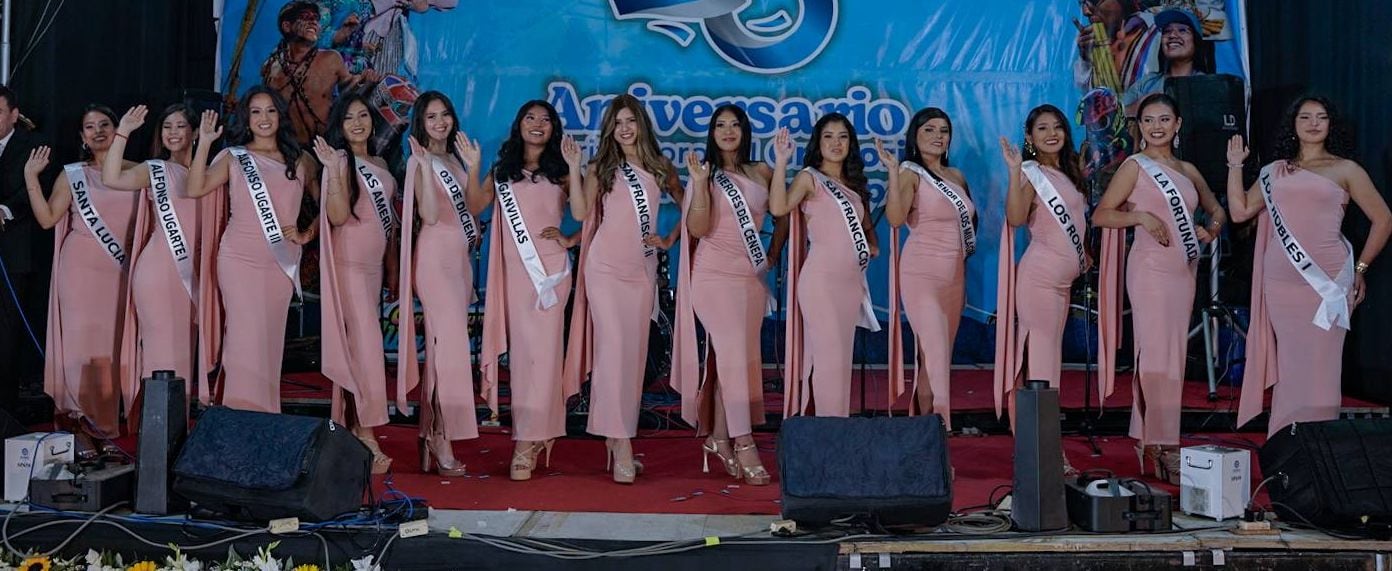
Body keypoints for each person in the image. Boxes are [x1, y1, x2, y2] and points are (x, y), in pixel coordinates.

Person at [1228, 97, 1392, 435]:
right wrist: (1234, 166)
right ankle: (1285, 446)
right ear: (1293, 124)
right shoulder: (1274, 171)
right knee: (1290, 367)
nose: (1313, 123)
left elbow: (1383, 219)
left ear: (1331, 124)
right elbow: (1240, 211)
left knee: (1321, 369)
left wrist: (1360, 269)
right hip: (1280, 283)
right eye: (1305, 117)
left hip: (1327, 283)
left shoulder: (1346, 169)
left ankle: (1320, 449)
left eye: (1321, 117)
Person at [1094, 93, 1226, 482]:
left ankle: (1152, 439)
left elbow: (1216, 209)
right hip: (1149, 270)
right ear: (1140, 126)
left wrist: (1210, 230)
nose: (1156, 127)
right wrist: (1141, 218)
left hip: (1183, 272)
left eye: (1164, 119)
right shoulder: (1134, 166)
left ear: (1177, 124)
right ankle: (1162, 444)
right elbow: (1102, 214)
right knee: (1154, 355)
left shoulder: (1187, 169)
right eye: (1149, 120)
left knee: (1173, 356)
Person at [563, 93, 683, 484]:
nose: (625, 129)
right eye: (618, 123)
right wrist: (575, 168)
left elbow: (692, 203)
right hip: (605, 268)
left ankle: (617, 438)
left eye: (631, 121)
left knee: (632, 357)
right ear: (610, 130)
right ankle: (622, 442)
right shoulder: (601, 167)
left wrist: (669, 239)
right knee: (613, 351)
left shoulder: (660, 166)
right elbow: (580, 212)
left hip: (640, 270)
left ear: (641, 124)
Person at [188, 86, 319, 413]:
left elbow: (330, 204)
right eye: (256, 111)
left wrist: (308, 232)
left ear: (280, 116)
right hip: (239, 259)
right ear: (246, 118)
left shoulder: (301, 159)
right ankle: (239, 421)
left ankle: (266, 420)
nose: (264, 118)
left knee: (269, 343)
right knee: (243, 341)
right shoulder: (234, 157)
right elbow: (195, 187)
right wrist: (205, 143)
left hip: (280, 263)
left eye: (270, 110)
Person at [23, 105, 140, 453]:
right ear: (82, 137)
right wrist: (31, 177)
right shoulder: (73, 174)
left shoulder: (139, 171)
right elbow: (47, 219)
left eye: (105, 124)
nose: (98, 131)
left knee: (111, 348)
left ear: (118, 129)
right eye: (90, 127)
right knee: (80, 346)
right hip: (80, 271)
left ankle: (105, 425)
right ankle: (78, 423)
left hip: (120, 272)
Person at [672, 104, 776, 485]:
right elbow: (698, 228)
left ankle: (717, 437)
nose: (728, 131)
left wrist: (774, 253)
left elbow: (782, 214)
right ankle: (744, 441)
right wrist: (699, 184)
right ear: (712, 133)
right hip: (713, 278)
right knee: (732, 357)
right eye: (720, 125)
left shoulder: (762, 171)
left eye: (735, 125)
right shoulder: (705, 173)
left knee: (735, 362)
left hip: (750, 279)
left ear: (745, 131)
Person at [478, 100, 578, 481]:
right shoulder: (502, 172)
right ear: (519, 124)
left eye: (546, 119)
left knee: (547, 356)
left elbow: (588, 212)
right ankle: (534, 433)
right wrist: (472, 166)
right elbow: (475, 204)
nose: (537, 124)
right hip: (516, 275)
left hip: (550, 275)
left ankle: (528, 439)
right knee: (522, 359)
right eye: (530, 117)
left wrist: (570, 239)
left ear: (554, 128)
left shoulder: (562, 171)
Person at [395, 90, 488, 476]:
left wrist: (475, 166)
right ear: (420, 122)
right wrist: (422, 169)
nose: (439, 122)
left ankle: (430, 434)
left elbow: (475, 208)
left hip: (459, 263)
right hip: (434, 262)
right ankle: (442, 437)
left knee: (440, 354)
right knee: (450, 352)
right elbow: (430, 216)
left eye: (445, 114)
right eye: (431, 116)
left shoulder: (457, 158)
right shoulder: (419, 160)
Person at [994, 104, 1090, 473]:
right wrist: (1014, 170)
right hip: (1039, 281)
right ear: (1030, 137)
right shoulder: (1032, 173)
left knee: (1047, 366)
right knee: (1041, 367)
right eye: (1042, 128)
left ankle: (1038, 446)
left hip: (1062, 283)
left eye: (1057, 127)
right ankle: (1045, 452)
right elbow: (1016, 218)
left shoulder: (1067, 172)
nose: (1051, 134)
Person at [101, 103, 210, 414]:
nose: (173, 133)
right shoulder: (155, 169)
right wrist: (123, 131)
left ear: (195, 132)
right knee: (161, 350)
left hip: (194, 272)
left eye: (180, 126)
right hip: (158, 270)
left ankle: (178, 426)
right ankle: (156, 425)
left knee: (185, 349)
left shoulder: (210, 172)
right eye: (167, 127)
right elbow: (111, 178)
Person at [311, 93, 399, 474]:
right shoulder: (340, 161)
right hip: (348, 266)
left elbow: (387, 225)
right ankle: (366, 432)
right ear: (340, 126)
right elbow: (337, 216)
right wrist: (332, 171)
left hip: (373, 270)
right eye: (349, 118)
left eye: (363, 116)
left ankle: (351, 426)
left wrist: (392, 269)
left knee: (360, 348)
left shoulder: (381, 163)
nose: (358, 123)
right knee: (366, 347)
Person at [771, 113, 880, 418]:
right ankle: (830, 431)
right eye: (828, 136)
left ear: (851, 143)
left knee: (841, 361)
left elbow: (866, 226)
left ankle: (836, 427)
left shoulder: (855, 184)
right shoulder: (809, 178)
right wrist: (781, 162)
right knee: (829, 360)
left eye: (843, 137)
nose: (836, 143)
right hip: (820, 283)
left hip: (850, 285)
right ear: (818, 143)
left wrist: (872, 245)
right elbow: (778, 207)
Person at [881, 108, 976, 425]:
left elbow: (968, 225)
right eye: (929, 130)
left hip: (954, 277)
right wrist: (893, 174)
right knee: (935, 354)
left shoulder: (957, 176)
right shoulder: (910, 173)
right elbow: (896, 219)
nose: (938, 136)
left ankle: (925, 432)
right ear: (915, 136)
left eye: (943, 130)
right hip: (921, 273)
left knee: (935, 359)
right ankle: (942, 430)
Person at [261, 1, 379, 144]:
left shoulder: (331, 59)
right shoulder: (272, 66)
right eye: (305, 17)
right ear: (287, 26)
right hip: (283, 145)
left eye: (316, 18)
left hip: (322, 146)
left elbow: (348, 85)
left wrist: (363, 80)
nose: (313, 21)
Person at [0, 86, 52, 411]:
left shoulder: (34, 146)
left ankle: (5, 408)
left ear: (14, 115)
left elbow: (36, 190)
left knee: (7, 333)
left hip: (14, 255)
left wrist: (5, 210)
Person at [1121, 7, 1214, 117]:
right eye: (1167, 31)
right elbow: (1115, 116)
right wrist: (1139, 107)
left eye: (1182, 30)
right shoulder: (1146, 84)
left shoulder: (1209, 85)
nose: (1172, 35)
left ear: (1196, 41)